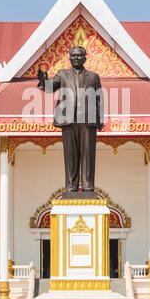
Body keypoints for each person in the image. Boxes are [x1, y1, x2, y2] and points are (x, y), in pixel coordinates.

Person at [38, 45, 104, 193]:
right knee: (70, 153)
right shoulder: (62, 74)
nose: (76, 58)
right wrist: (43, 80)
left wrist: (100, 120)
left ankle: (88, 185)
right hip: (68, 118)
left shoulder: (93, 76)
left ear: (85, 58)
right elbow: (50, 88)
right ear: (69, 58)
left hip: (88, 119)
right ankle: (71, 185)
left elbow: (99, 98)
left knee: (88, 153)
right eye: (73, 55)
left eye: (79, 55)